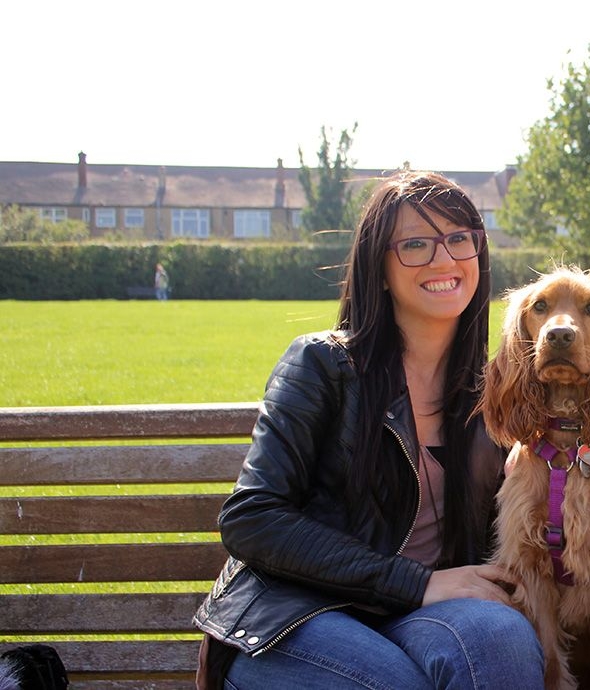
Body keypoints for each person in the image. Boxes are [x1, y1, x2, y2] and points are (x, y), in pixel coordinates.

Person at [193, 171, 544, 689]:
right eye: (416, 244)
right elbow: (252, 519)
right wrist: (414, 583)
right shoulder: (323, 365)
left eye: (459, 239)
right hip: (296, 615)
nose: (444, 259)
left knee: (501, 642)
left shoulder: (494, 391)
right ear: (379, 268)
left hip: (414, 614)